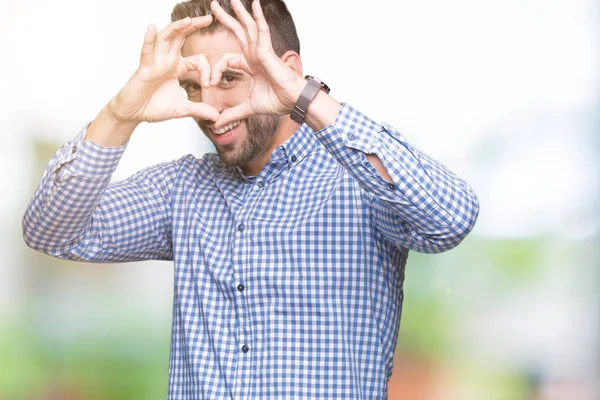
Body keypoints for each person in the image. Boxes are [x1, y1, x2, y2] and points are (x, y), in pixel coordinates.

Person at [23, 0, 479, 398]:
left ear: (288, 70)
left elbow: (452, 218)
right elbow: (51, 232)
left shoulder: (359, 177)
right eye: (193, 87)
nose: (210, 106)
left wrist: (303, 98)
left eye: (230, 78)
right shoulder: (182, 190)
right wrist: (122, 113)